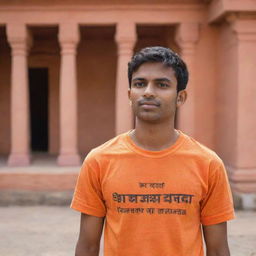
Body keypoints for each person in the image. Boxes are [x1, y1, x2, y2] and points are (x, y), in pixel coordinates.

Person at [71, 46, 235, 256]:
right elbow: (88, 246)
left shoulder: (207, 163)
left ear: (180, 97)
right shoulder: (99, 160)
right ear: (130, 95)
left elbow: (218, 249)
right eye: (140, 84)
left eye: (162, 84)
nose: (148, 91)